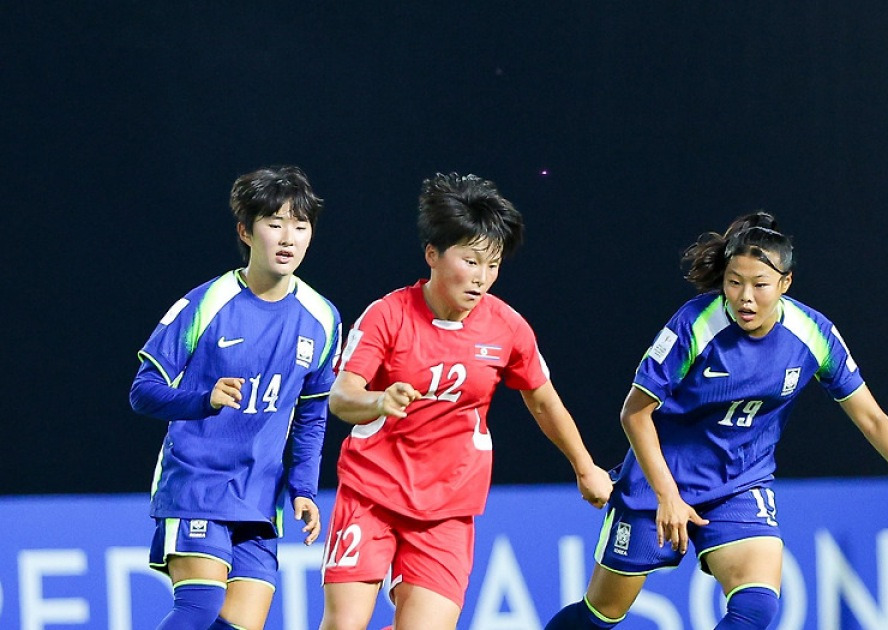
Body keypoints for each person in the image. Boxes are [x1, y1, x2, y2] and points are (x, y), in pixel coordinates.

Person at [545, 212, 888, 630]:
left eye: (760, 284)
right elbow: (634, 413)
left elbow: (871, 417)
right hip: (659, 481)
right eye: (734, 282)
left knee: (757, 607)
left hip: (739, 484)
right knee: (600, 616)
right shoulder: (695, 324)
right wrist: (668, 495)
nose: (745, 297)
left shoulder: (813, 334)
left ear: (785, 282)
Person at [318, 172, 613, 630]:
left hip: (448, 508)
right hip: (371, 494)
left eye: (491, 265)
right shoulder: (387, 315)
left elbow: (544, 402)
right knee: (344, 625)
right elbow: (342, 396)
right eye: (470, 261)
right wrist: (379, 401)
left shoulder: (507, 328)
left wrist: (585, 467)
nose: (481, 278)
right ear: (432, 254)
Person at [129, 165, 341, 630]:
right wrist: (202, 399)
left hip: (260, 496)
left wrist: (304, 488)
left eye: (300, 226)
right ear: (246, 231)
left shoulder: (323, 318)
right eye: (274, 223)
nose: (289, 237)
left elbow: (312, 415)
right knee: (199, 608)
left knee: (239, 626)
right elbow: (142, 392)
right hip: (197, 484)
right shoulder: (206, 303)